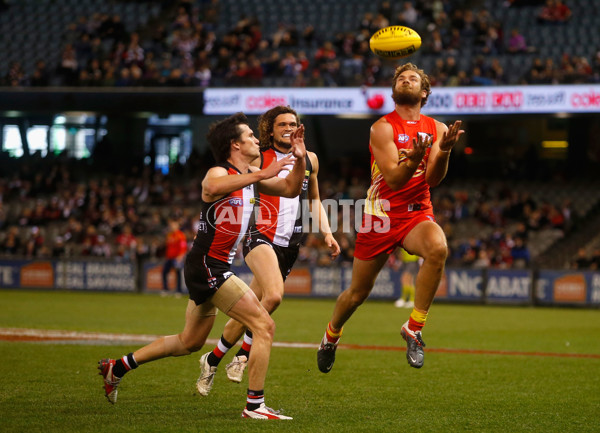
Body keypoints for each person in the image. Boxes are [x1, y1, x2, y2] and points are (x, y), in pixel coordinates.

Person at [98, 112, 307, 420]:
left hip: (208, 267)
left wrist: (299, 158)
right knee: (265, 325)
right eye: (249, 135)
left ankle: (117, 367)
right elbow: (210, 189)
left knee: (189, 342)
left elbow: (290, 188)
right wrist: (261, 175)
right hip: (210, 267)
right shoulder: (218, 172)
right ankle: (254, 406)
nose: (255, 139)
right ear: (234, 144)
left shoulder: (251, 172)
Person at [316, 63, 464, 372]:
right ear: (394, 91)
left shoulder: (437, 128)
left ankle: (414, 327)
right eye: (401, 78)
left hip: (416, 213)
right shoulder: (382, 127)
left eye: (413, 79)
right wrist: (417, 158)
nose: (406, 81)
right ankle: (331, 335)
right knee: (357, 294)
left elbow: (434, 180)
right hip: (379, 215)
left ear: (424, 92)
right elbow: (395, 179)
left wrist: (445, 152)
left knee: (438, 247)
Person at [197, 105, 340, 392]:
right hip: (259, 235)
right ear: (270, 130)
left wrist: (327, 232)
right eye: (282, 124)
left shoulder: (310, 159)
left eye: (293, 123)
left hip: (290, 245)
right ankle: (241, 357)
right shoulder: (259, 156)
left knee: (252, 310)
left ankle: (211, 360)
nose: (288, 128)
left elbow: (314, 200)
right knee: (274, 296)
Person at [161, 218, 187, 297]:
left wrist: (180, 256)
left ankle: (178, 291)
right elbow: (168, 247)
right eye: (171, 225)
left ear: (177, 226)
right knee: (164, 272)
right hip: (169, 257)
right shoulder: (169, 235)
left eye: (174, 225)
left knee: (178, 274)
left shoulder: (180, 235)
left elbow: (183, 247)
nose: (172, 226)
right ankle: (166, 289)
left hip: (177, 258)